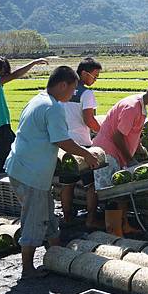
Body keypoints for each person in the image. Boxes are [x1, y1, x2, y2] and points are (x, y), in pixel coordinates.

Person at [5, 66, 100, 279]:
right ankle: (28, 269)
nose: (73, 94)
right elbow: (62, 140)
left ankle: (57, 256)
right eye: (73, 89)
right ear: (62, 85)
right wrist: (86, 154)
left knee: (47, 212)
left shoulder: (37, 99)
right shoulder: (53, 107)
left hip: (19, 166)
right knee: (34, 219)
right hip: (32, 173)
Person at [93, 79, 148, 236]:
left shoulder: (140, 105)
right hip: (108, 153)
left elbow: (131, 132)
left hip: (117, 153)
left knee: (122, 191)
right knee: (111, 194)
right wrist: (129, 159)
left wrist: (139, 148)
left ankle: (124, 226)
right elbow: (117, 136)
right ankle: (114, 231)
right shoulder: (132, 107)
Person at [0, 56, 49, 173]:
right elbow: (14, 75)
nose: (5, 75)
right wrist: (33, 63)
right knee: (15, 156)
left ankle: (1, 183)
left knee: (2, 161)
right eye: (4, 72)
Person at [60, 57, 104, 228]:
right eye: (95, 76)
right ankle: (91, 219)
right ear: (84, 73)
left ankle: (67, 218)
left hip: (64, 144)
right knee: (91, 184)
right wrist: (102, 131)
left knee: (67, 184)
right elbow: (89, 119)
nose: (95, 79)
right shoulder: (86, 93)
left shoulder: (63, 90)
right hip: (83, 145)